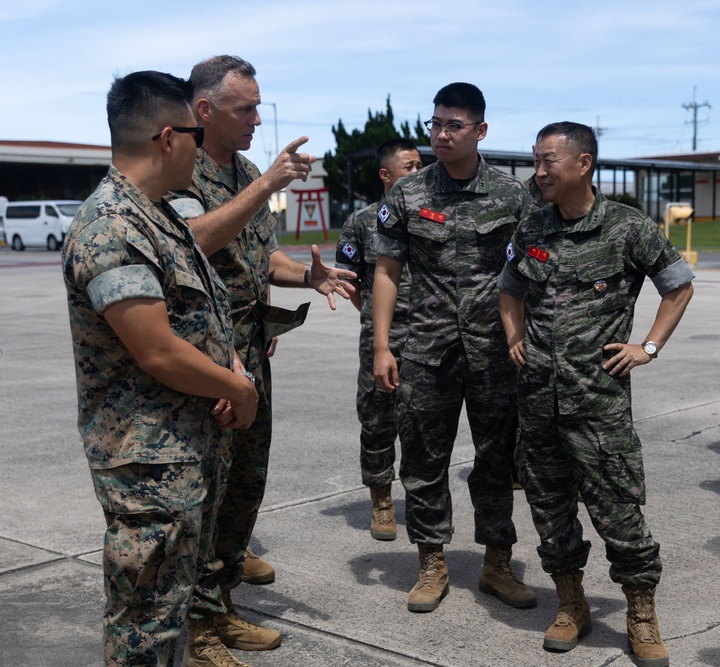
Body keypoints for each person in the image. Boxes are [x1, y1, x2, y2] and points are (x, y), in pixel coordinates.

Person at [63, 70, 258, 667]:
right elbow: (156, 348)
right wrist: (238, 390)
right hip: (147, 458)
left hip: (184, 445)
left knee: (169, 609)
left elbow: (193, 311)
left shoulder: (159, 215)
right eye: (197, 135)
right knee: (145, 621)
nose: (202, 149)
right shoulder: (112, 227)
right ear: (169, 138)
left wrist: (228, 359)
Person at [171, 55, 356, 665]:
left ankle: (220, 609)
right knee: (205, 491)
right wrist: (266, 187)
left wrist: (309, 276)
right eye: (244, 108)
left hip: (251, 349)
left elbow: (259, 256)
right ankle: (196, 631)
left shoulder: (245, 169)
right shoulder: (181, 172)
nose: (256, 117)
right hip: (205, 355)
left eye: (257, 104)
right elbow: (196, 242)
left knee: (245, 485)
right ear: (204, 111)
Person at [499, 122, 694, 666]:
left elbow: (678, 285)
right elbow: (508, 289)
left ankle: (640, 613)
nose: (538, 173)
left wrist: (648, 347)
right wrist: (514, 335)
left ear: (583, 164)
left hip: (599, 407)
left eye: (547, 163)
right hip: (538, 405)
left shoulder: (628, 229)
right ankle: (571, 603)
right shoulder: (531, 228)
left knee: (620, 516)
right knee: (550, 514)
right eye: (535, 162)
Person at [371, 82, 536, 613]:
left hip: (496, 352)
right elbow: (387, 272)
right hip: (426, 348)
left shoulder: (513, 196)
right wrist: (381, 346)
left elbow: (532, 270)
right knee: (423, 459)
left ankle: (497, 563)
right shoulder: (408, 194)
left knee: (497, 460)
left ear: (480, 131)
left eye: (453, 125)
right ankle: (431, 562)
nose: (441, 134)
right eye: (435, 123)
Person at [335, 138, 422, 540]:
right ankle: (382, 500)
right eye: (409, 167)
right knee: (377, 420)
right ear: (386, 175)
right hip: (381, 339)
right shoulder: (361, 222)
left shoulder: (432, 219)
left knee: (424, 424)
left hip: (428, 336)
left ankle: (422, 500)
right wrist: (376, 321)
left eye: (421, 165)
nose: (418, 172)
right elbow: (349, 281)